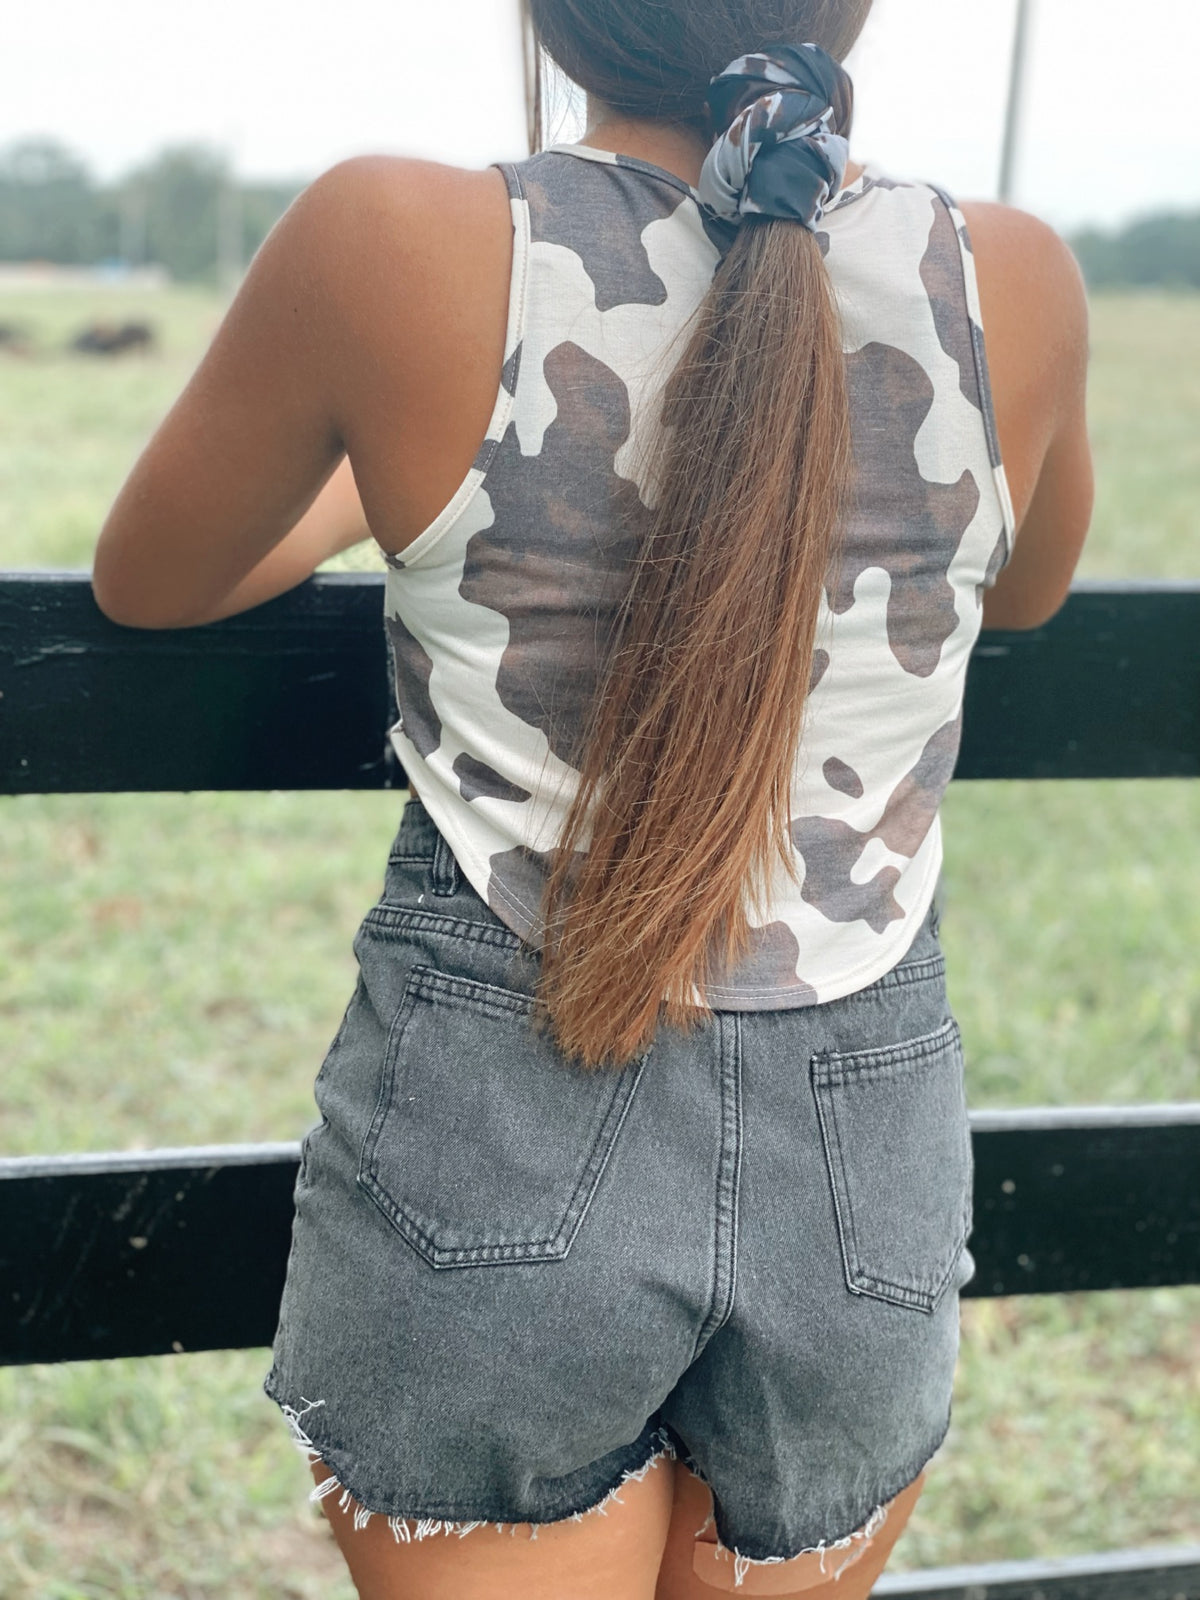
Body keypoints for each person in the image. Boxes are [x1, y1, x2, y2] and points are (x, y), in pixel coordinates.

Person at [92, 1, 1092, 1594]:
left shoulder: (393, 236)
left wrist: (400, 491)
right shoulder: (1015, 277)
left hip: (506, 1090)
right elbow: (1025, 584)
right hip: (868, 1148)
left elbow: (148, 582)